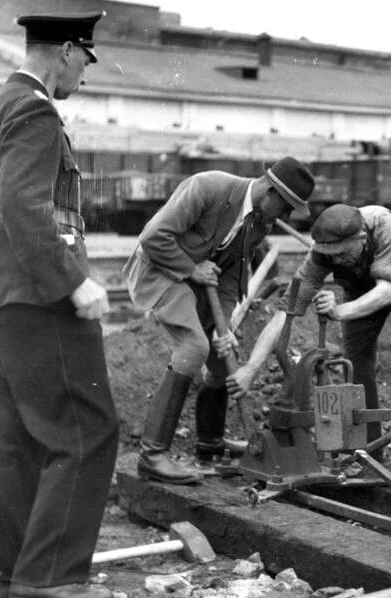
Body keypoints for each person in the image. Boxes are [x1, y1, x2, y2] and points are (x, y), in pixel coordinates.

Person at [0, 12, 118, 598]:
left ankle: (8, 579)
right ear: (65, 50)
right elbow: (23, 203)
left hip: (0, 301)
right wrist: (72, 282)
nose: (84, 76)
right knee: (87, 430)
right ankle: (51, 575)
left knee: (16, 444)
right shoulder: (36, 111)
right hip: (40, 300)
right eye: (85, 62)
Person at [123, 157, 316, 484]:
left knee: (221, 358)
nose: (285, 217)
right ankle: (152, 455)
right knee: (193, 347)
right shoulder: (208, 187)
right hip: (161, 272)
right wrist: (191, 268)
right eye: (284, 208)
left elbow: (230, 278)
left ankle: (209, 443)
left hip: (201, 283)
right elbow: (153, 237)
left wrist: (223, 328)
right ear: (269, 191)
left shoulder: (260, 224)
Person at [229, 203, 391, 472]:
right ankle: (368, 455)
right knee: (357, 369)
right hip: (360, 290)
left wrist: (339, 310)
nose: (335, 261)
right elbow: (285, 314)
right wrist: (251, 368)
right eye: (330, 256)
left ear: (361, 239)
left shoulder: (386, 226)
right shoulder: (322, 253)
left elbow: (385, 292)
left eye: (342, 254)